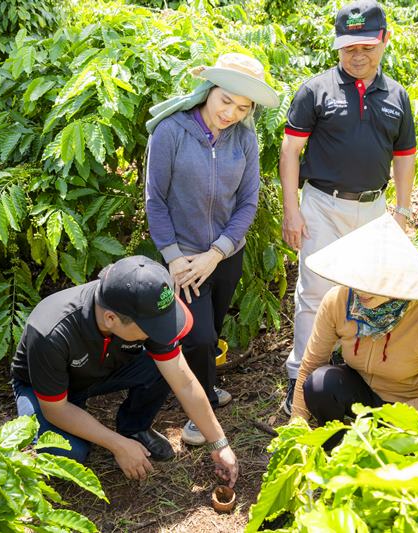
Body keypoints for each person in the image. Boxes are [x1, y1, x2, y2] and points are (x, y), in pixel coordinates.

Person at [279, 0, 418, 414]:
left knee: (367, 294)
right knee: (315, 292)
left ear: (384, 41)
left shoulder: (397, 95)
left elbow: (405, 155)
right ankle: (300, 379)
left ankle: (350, 374)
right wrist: (292, 210)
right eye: (348, 47)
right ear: (337, 46)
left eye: (367, 46)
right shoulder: (314, 90)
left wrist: (403, 211)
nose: (358, 55)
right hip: (322, 203)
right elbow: (290, 152)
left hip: (374, 210)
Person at [145, 53, 279, 445]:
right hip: (183, 259)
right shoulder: (170, 132)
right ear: (208, 90)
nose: (231, 113)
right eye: (225, 101)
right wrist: (173, 259)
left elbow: (247, 203)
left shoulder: (245, 138)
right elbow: (155, 200)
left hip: (224, 256)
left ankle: (206, 384)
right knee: (199, 336)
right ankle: (198, 411)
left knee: (214, 325)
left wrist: (218, 252)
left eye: (242, 107)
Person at [10, 256, 239, 486]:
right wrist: (116, 444)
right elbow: (55, 409)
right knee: (67, 453)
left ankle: (134, 428)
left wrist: (220, 444)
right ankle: (106, 435)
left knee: (165, 365)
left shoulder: (142, 307)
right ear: (111, 319)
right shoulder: (51, 332)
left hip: (100, 369)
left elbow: (184, 381)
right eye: (153, 328)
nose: (159, 332)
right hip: (47, 391)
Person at [290, 214, 418, 447]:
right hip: (362, 395)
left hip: (411, 407)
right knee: (319, 384)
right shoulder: (338, 301)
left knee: (391, 458)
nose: (361, 290)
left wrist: (399, 412)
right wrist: (296, 426)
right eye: (358, 279)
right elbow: (311, 364)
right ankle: (335, 453)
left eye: (373, 283)